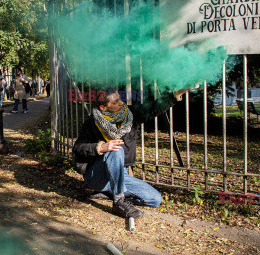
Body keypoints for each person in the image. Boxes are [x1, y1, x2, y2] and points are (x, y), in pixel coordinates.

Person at [73, 88, 186, 219]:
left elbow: (153, 108)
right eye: (115, 102)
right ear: (103, 107)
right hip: (97, 176)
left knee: (155, 199)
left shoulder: (130, 114)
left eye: (120, 99)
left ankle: (110, 193)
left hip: (121, 175)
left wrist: (174, 95)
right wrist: (101, 147)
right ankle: (119, 202)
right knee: (115, 148)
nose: (121, 103)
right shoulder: (92, 122)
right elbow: (78, 148)